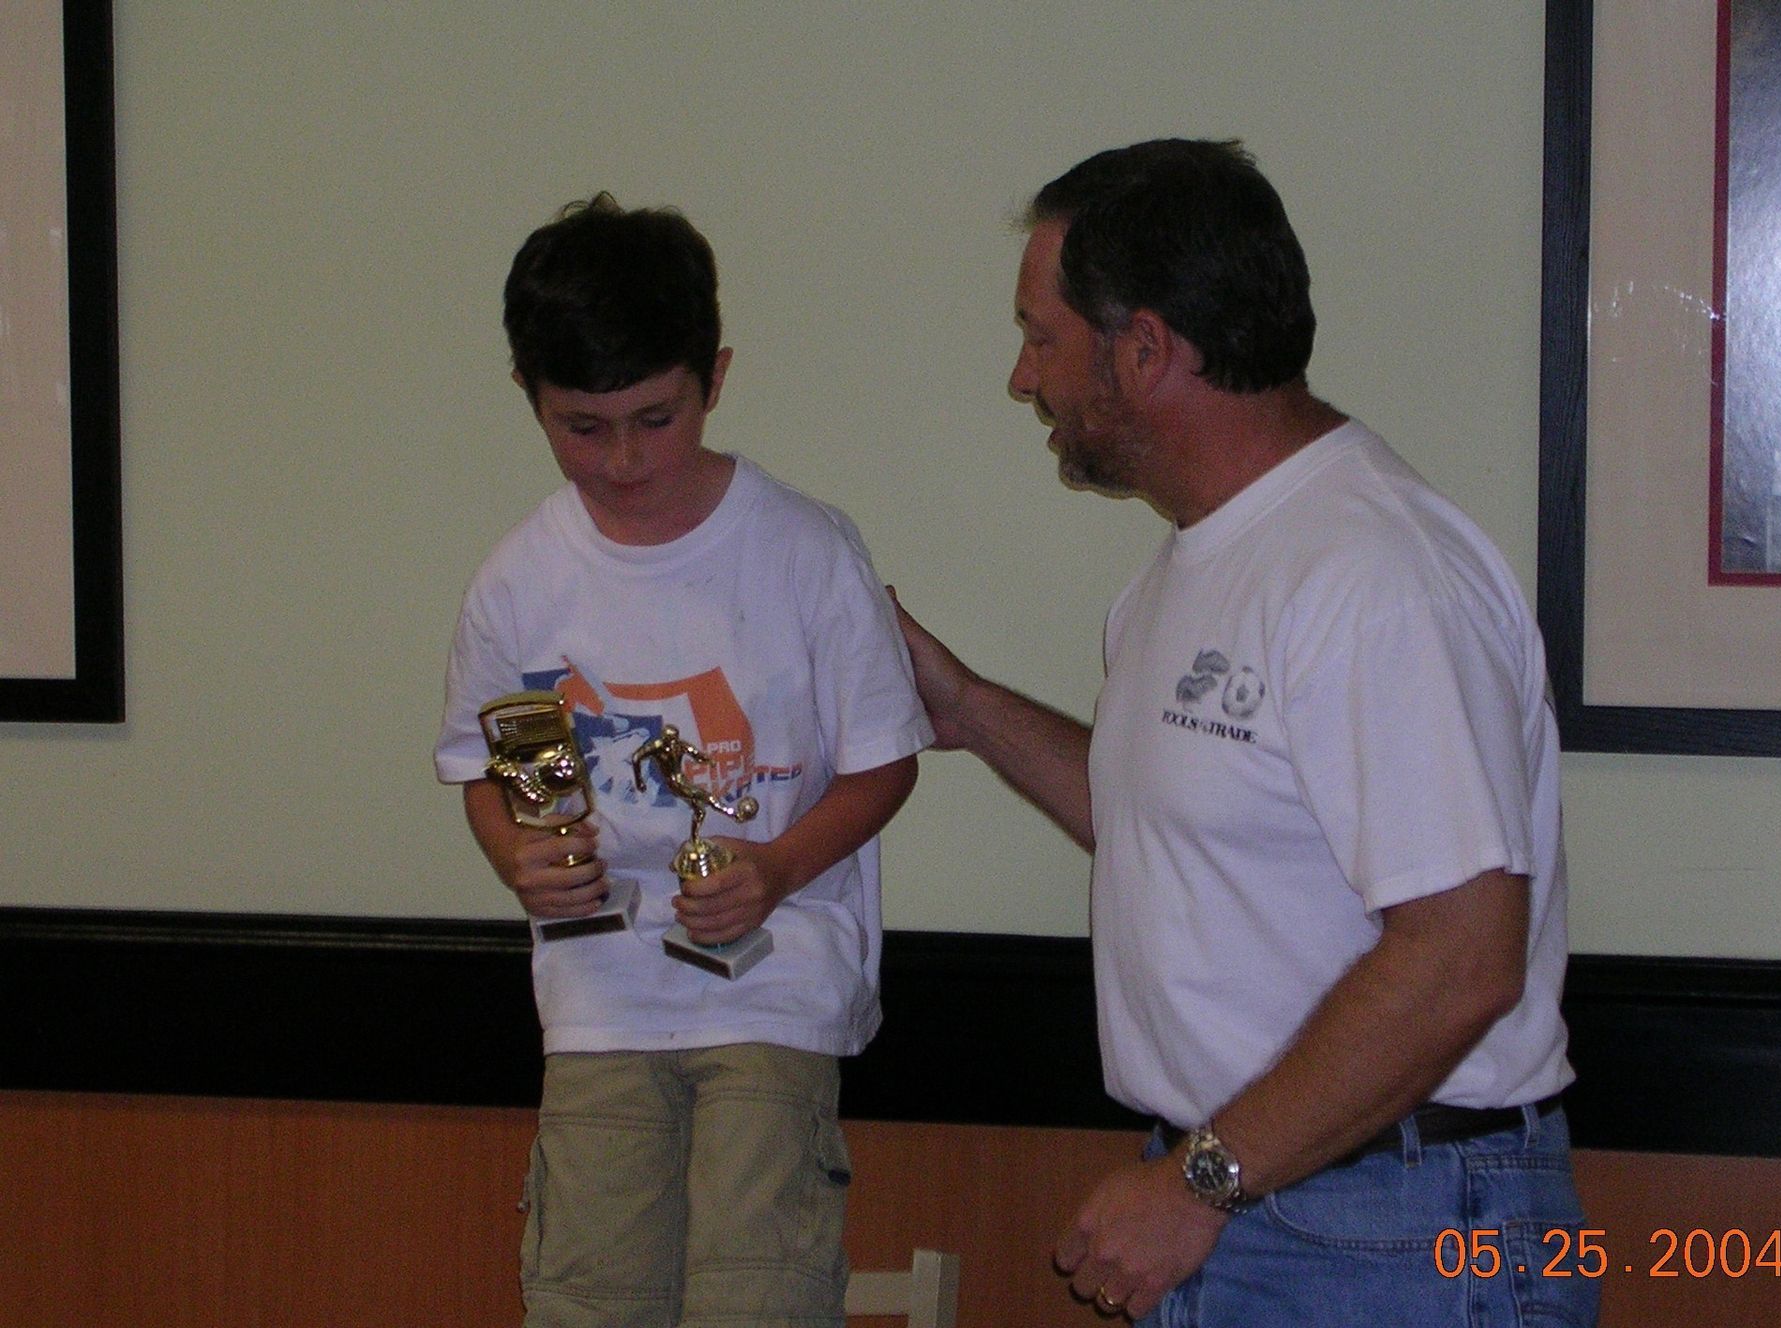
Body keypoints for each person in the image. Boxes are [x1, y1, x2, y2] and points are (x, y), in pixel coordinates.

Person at [893, 139, 1594, 1325]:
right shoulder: (1197, 564)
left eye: (1041, 337)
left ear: (1144, 349)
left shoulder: (1374, 572)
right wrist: (962, 705)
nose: (1023, 378)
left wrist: (1199, 1181)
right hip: (1263, 1200)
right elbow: (1170, 824)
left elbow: (1462, 957)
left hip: (1397, 1227)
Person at [435, 193, 930, 1328]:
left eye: (655, 419)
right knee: (587, 1296)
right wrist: (522, 857)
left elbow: (884, 765)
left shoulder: (804, 550)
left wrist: (777, 868)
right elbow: (507, 778)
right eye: (581, 427)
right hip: (598, 996)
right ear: (528, 395)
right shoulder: (521, 582)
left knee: (756, 1295)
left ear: (716, 378)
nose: (621, 460)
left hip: (775, 985)